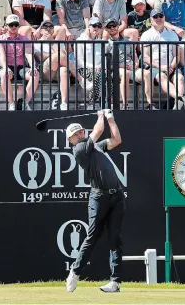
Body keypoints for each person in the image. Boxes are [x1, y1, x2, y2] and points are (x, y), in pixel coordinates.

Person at [65, 109, 125, 294]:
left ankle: (114, 282)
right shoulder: (79, 150)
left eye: (81, 131)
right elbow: (98, 131)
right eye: (76, 134)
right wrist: (101, 116)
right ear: (71, 140)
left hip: (116, 196)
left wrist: (111, 119)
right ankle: (75, 272)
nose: (80, 134)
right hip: (99, 197)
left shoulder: (95, 146)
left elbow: (116, 140)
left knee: (115, 239)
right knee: (92, 237)